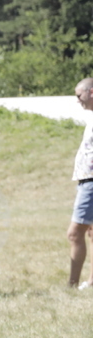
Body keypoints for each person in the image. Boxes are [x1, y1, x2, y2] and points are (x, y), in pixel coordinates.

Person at [68, 78, 93, 288]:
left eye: (79, 96)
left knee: (74, 233)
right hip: (86, 181)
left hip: (91, 183)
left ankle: (72, 284)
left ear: (91, 92)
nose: (78, 101)